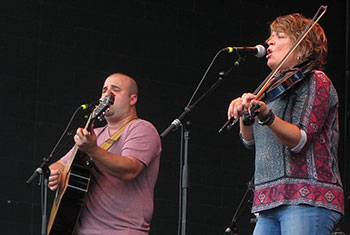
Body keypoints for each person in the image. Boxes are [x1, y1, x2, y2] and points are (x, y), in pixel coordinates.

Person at [227, 13, 344, 234]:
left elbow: (300, 139)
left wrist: (267, 116)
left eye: (279, 36)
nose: (269, 41)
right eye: (270, 36)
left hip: (307, 198)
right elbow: (250, 142)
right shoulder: (271, 90)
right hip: (268, 201)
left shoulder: (316, 80)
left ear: (303, 47)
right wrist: (245, 115)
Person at [48, 73, 162, 234]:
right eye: (104, 90)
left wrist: (93, 150)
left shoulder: (141, 129)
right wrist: (56, 174)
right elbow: (59, 164)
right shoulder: (95, 134)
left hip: (121, 230)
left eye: (115, 90)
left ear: (132, 99)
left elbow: (129, 170)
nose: (107, 94)